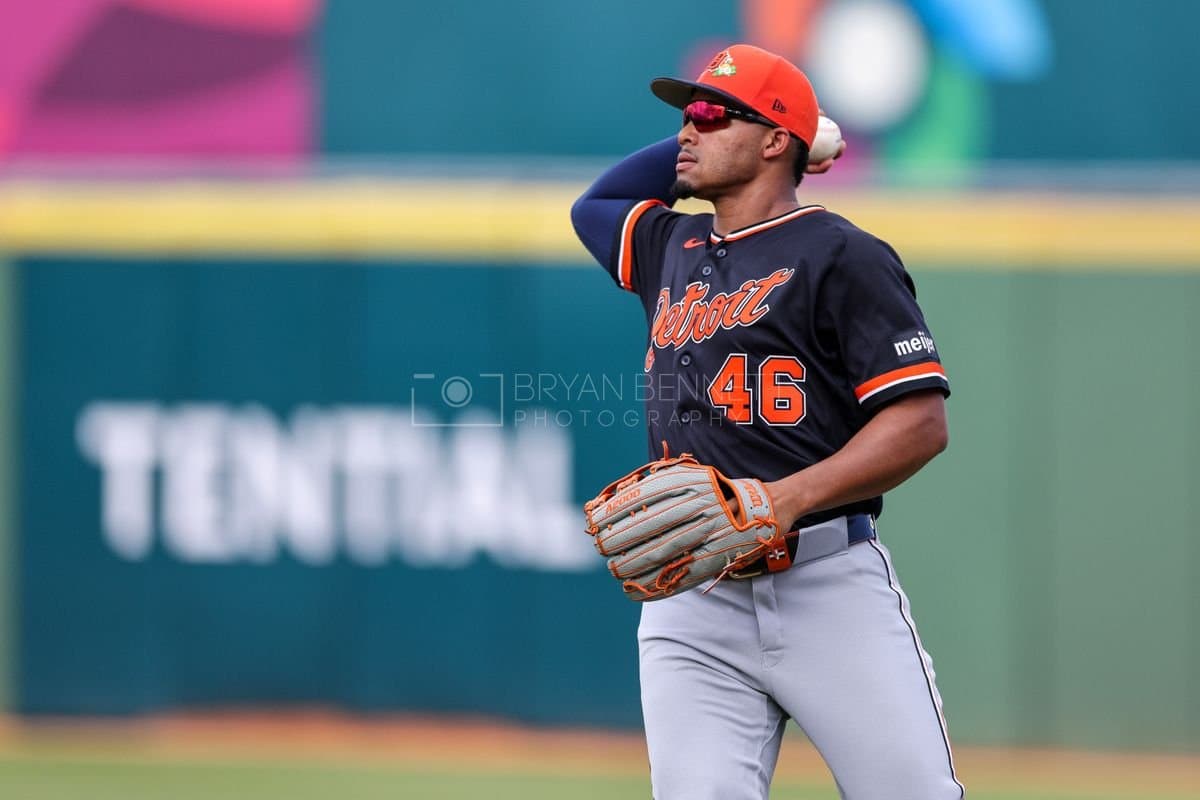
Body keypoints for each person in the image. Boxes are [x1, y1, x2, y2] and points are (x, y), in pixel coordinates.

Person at [570, 44, 963, 800]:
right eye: (685, 115)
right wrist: (791, 130)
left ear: (774, 140)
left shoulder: (844, 254)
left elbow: (920, 424)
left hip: (827, 583)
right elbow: (596, 207)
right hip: (696, 591)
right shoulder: (670, 245)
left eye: (713, 115)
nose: (689, 129)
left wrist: (782, 500)